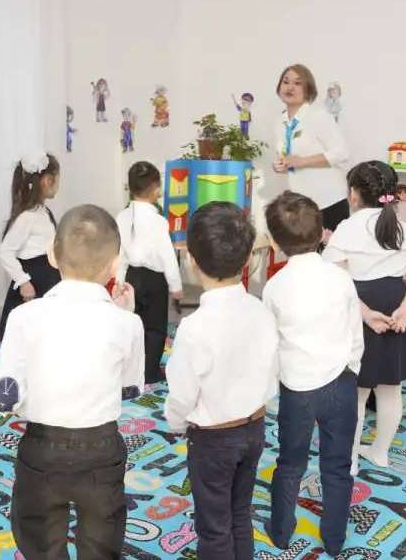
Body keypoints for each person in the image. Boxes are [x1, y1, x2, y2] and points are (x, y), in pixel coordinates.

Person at [0, 205, 143, 559]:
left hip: (42, 446)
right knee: (103, 542)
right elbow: (130, 388)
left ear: (52, 255)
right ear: (115, 264)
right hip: (101, 446)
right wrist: (122, 316)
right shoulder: (128, 324)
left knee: (38, 538)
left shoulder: (24, 317)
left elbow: (4, 397)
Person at [164, 202, 278, 559]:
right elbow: (272, 372)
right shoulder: (261, 310)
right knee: (240, 515)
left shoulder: (194, 327)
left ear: (192, 262)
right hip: (254, 427)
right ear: (247, 260)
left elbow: (182, 393)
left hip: (213, 440)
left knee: (213, 527)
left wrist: (176, 421)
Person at [262, 191, 363, 556]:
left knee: (290, 463)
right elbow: (355, 334)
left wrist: (272, 385)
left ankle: (281, 531)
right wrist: (351, 370)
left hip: (297, 388)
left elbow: (270, 344)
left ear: (274, 241)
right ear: (323, 232)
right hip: (341, 382)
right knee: (337, 466)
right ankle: (334, 540)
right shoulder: (340, 278)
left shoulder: (274, 287)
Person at [323, 161, 406, 473]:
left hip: (360, 308)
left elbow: (338, 281)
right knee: (390, 388)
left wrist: (367, 314)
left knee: (355, 393)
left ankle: (351, 459)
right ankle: (380, 452)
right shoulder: (401, 228)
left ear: (353, 195)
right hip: (396, 306)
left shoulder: (347, 228)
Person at [116, 161, 183, 386]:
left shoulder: (121, 217)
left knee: (133, 323)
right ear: (156, 189)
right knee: (154, 327)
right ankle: (150, 371)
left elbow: (120, 253)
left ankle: (130, 369)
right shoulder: (158, 221)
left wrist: (118, 279)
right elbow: (167, 256)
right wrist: (176, 287)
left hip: (131, 277)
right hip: (154, 280)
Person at [271, 64, 352, 235]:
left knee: (330, 259)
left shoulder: (318, 116)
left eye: (298, 83)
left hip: (329, 202)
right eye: (286, 82)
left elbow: (342, 153)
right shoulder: (281, 121)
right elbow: (286, 155)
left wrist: (302, 161)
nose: (290, 87)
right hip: (301, 205)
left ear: (308, 89)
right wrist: (279, 165)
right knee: (305, 258)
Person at [0, 152, 61, 342]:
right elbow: (6, 252)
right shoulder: (27, 216)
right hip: (34, 279)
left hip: (48, 277)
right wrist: (24, 282)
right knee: (25, 337)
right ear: (48, 180)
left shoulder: (43, 211)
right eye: (57, 179)